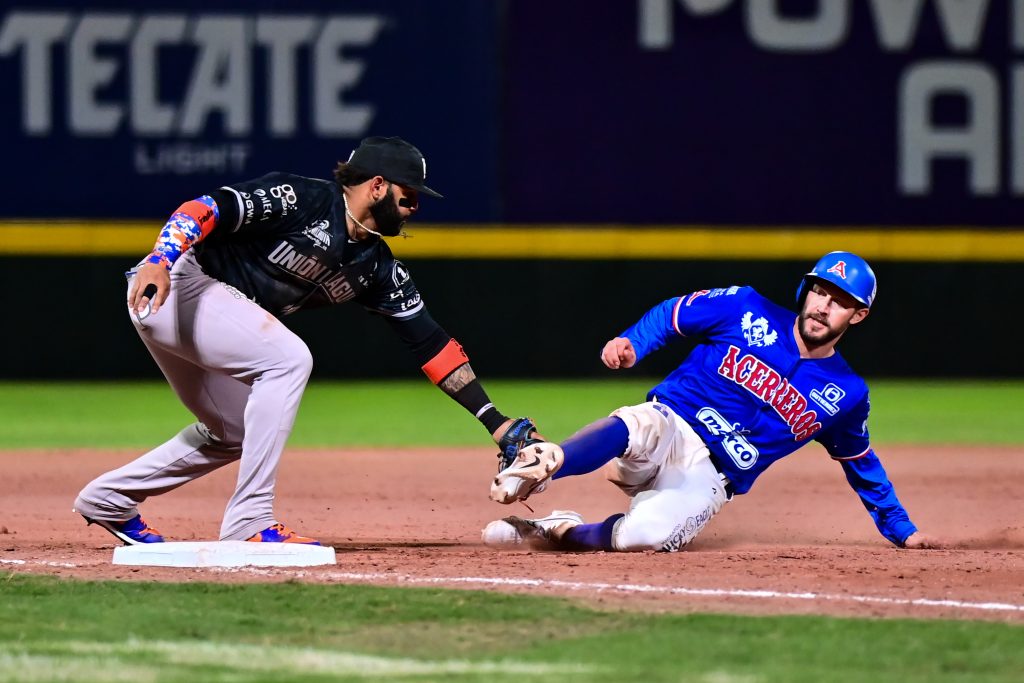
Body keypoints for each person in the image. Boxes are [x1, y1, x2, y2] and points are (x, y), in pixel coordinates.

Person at [75, 136, 538, 546]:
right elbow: (206, 207)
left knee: (233, 429)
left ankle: (110, 500)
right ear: (377, 185)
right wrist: (161, 256)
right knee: (289, 359)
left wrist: (495, 422)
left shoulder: (376, 265)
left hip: (200, 310)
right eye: (407, 194)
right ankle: (249, 520)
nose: (414, 205)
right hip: (176, 284)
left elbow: (431, 345)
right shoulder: (303, 198)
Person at [483, 252, 935, 552]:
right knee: (639, 425)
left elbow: (860, 461)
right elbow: (673, 313)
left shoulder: (847, 394)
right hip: (672, 422)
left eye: (840, 301)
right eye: (820, 291)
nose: (823, 305)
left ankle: (555, 529)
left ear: (858, 315)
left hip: (710, 476)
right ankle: (551, 459)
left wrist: (902, 530)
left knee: (646, 537)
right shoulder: (746, 306)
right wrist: (632, 343)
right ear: (806, 290)